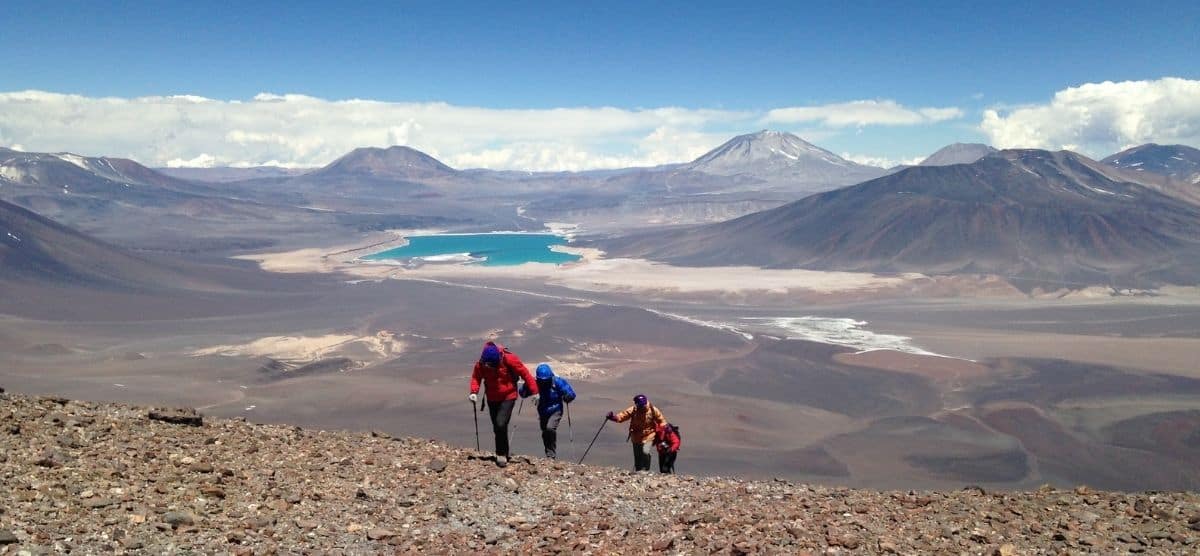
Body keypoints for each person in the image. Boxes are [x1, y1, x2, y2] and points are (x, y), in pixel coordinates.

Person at [469, 341, 538, 467]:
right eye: (488, 365)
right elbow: (476, 377)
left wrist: (535, 391)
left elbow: (525, 374)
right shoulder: (481, 363)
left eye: (493, 365)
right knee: (497, 427)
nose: (490, 367)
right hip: (492, 397)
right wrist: (474, 391)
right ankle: (504, 452)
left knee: (501, 423)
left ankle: (500, 454)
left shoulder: (509, 359)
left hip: (508, 396)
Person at [519, 363, 576, 459]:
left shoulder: (557, 382)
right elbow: (523, 393)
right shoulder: (535, 383)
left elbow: (570, 393)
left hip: (556, 409)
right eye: (541, 380)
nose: (544, 382)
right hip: (543, 411)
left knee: (550, 428)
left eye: (546, 380)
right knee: (545, 432)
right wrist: (525, 389)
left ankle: (551, 455)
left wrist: (568, 396)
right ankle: (549, 454)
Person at [606, 394, 666, 472]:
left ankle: (645, 470)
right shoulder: (633, 410)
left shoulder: (653, 410)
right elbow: (622, 416)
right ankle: (638, 470)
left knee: (645, 451)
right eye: (640, 405)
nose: (642, 407)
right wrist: (613, 417)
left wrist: (664, 430)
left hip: (649, 435)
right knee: (637, 454)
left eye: (643, 405)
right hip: (636, 436)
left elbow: (661, 421)